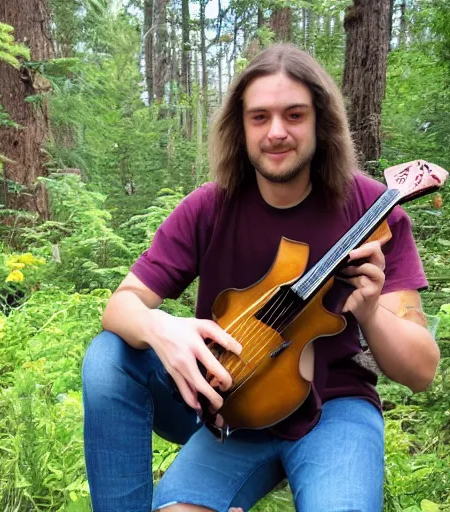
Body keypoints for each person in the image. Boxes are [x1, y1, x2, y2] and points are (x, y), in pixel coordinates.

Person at [82, 44, 440, 512]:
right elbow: (121, 304)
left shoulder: (372, 210)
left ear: (320, 121)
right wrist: (161, 327)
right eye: (259, 117)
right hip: (233, 404)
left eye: (294, 115)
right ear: (241, 127)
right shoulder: (209, 207)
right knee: (108, 355)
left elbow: (420, 371)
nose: (276, 132)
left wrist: (371, 312)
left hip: (334, 411)